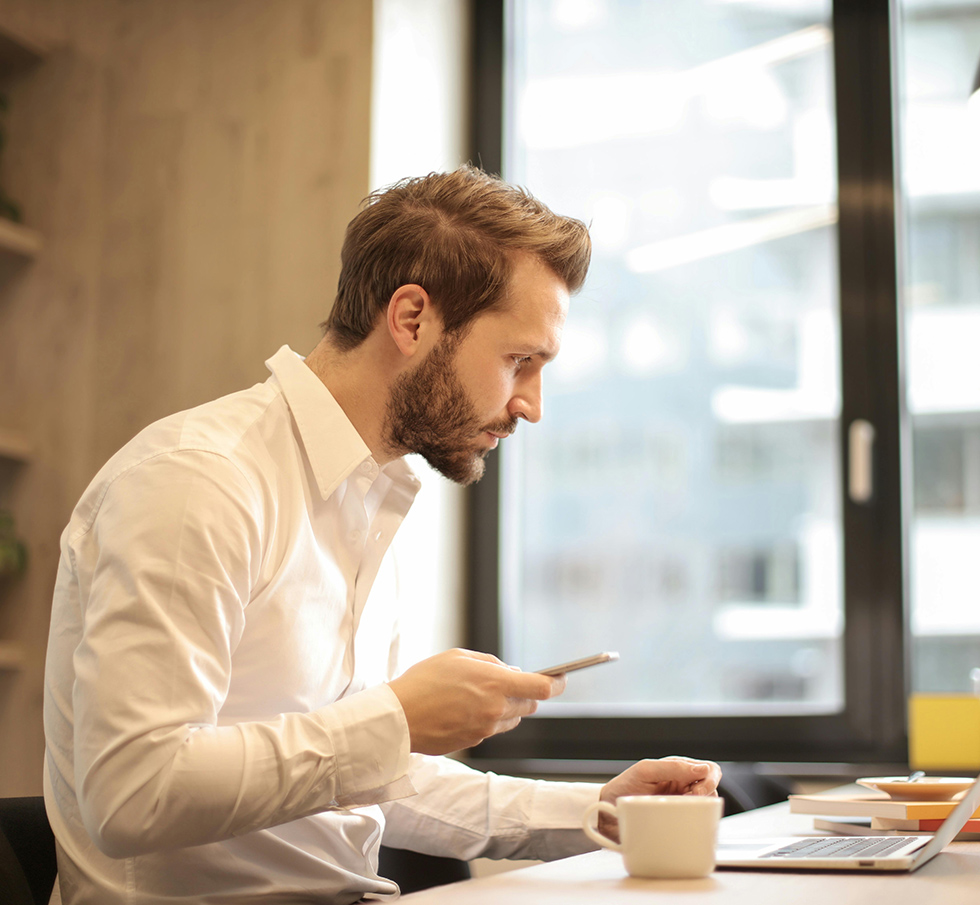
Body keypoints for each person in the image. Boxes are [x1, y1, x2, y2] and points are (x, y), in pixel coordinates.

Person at [43, 166, 721, 904]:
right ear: (411, 319)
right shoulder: (199, 481)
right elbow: (132, 791)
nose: (531, 405)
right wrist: (395, 717)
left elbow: (357, 775)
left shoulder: (370, 496)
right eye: (519, 361)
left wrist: (595, 810)